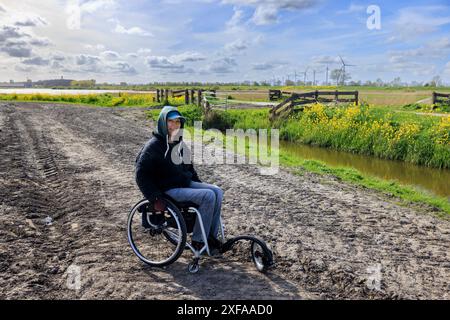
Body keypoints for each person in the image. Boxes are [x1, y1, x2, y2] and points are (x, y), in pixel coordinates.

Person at [135, 106, 223, 254]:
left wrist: (200, 185)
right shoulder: (153, 146)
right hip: (167, 189)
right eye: (170, 121)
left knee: (217, 191)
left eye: (177, 122)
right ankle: (198, 242)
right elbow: (140, 174)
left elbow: (190, 170)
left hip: (183, 184)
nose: (174, 125)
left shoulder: (180, 144)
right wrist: (154, 197)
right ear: (163, 123)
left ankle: (211, 237)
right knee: (208, 196)